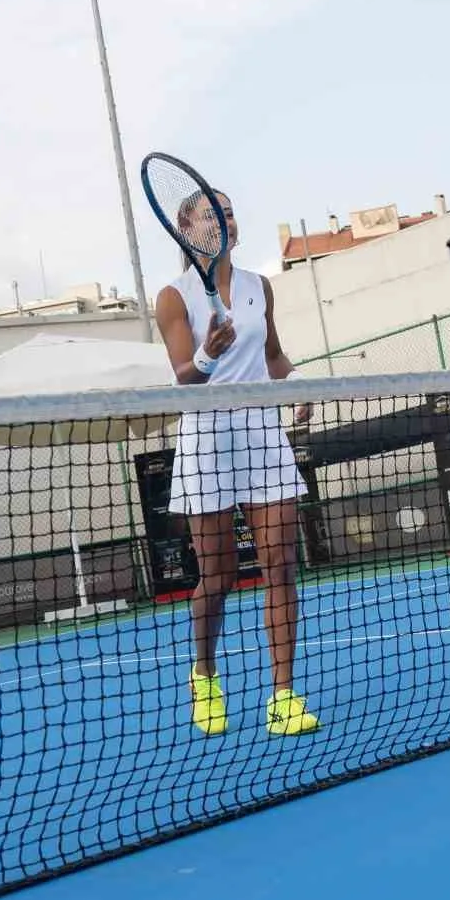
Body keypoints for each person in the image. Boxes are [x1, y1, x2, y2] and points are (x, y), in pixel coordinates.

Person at [156, 186, 320, 739]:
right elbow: (184, 376)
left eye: (228, 210)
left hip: (262, 436)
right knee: (218, 578)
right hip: (205, 440)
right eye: (213, 212)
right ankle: (204, 675)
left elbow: (272, 356)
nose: (226, 218)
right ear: (187, 227)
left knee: (280, 567)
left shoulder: (258, 287)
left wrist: (295, 385)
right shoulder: (174, 298)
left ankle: (284, 696)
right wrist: (209, 353)